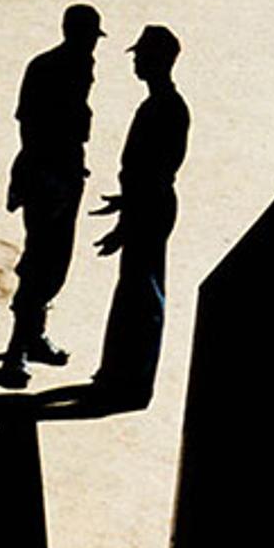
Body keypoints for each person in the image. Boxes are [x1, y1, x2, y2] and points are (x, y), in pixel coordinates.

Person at [0, 3, 101, 389]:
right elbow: (30, 127)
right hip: (47, 178)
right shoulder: (50, 68)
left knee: (54, 263)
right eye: (90, 38)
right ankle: (16, 353)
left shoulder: (79, 65)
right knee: (39, 264)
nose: (93, 48)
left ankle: (33, 338)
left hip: (65, 175)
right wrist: (43, 176)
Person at [86, 24, 187, 405]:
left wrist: (126, 221)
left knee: (140, 295)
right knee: (138, 291)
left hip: (150, 208)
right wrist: (124, 202)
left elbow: (154, 173)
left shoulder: (164, 108)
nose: (136, 63)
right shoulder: (162, 105)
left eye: (142, 56)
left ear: (159, 60)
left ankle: (129, 379)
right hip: (149, 204)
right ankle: (123, 374)